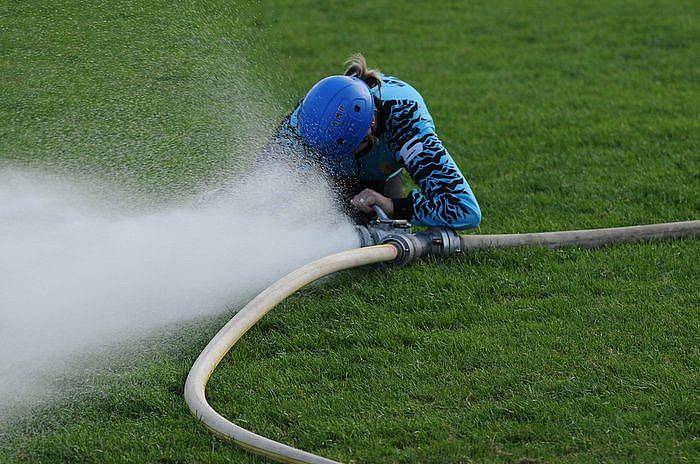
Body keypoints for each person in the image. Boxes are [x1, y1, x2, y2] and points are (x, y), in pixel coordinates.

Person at [270, 54, 482, 230]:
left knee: (378, 233)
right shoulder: (300, 124)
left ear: (370, 126)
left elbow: (463, 209)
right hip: (322, 178)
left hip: (379, 177)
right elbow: (253, 189)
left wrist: (391, 206)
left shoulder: (406, 120)